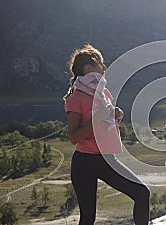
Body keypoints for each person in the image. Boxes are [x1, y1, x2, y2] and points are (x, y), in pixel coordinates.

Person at [63, 44, 150, 225]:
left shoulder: (104, 93)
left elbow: (105, 126)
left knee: (142, 193)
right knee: (88, 219)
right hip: (84, 162)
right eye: (101, 64)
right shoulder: (76, 97)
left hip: (107, 159)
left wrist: (115, 115)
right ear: (88, 68)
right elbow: (73, 137)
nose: (105, 68)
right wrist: (97, 119)